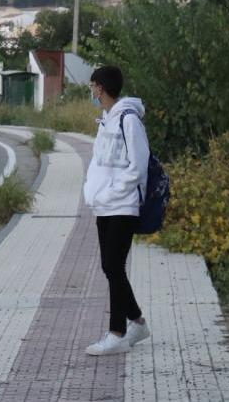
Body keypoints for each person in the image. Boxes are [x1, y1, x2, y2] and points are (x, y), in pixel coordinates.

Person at [83, 65, 151, 356]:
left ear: (100, 87)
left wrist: (111, 192)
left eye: (91, 87)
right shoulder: (106, 120)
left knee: (113, 266)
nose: (91, 92)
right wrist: (93, 192)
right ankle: (137, 322)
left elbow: (138, 165)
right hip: (104, 206)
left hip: (122, 205)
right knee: (110, 267)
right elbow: (101, 164)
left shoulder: (128, 119)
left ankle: (117, 333)